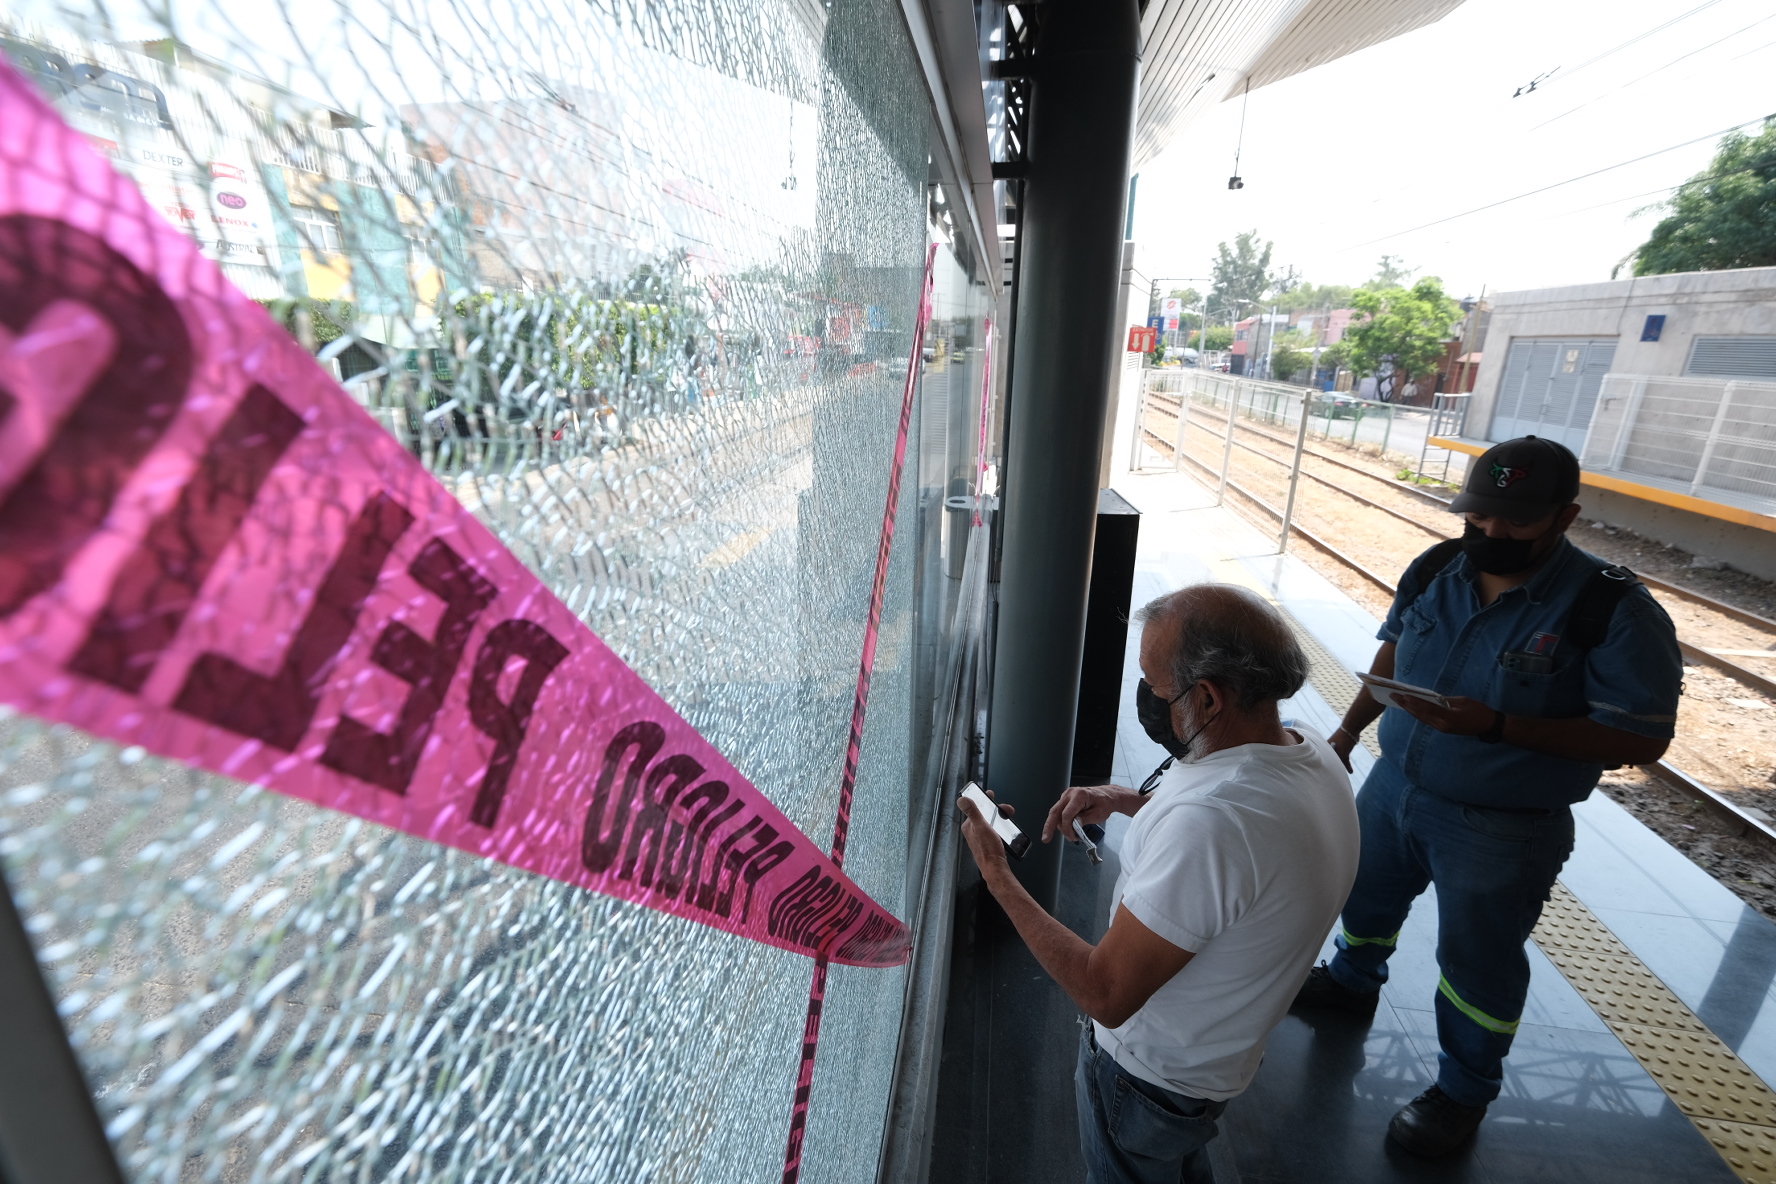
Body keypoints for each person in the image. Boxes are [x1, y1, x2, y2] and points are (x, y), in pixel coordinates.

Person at [1293, 435, 1683, 1156]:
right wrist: (1349, 731)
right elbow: (1394, 649)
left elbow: (1640, 740)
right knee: (1365, 895)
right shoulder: (1440, 566)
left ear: (1565, 516)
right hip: (1395, 783)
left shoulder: (1613, 610)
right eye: (1479, 518)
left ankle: (1463, 1091)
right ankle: (1351, 980)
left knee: (1477, 962)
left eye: (1517, 522)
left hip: (1501, 825)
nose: (1491, 534)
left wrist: (1501, 726)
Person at [958, 584, 1360, 1184]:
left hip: (1148, 1080)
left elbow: (1105, 993)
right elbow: (1242, 859)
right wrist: (1128, 802)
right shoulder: (1310, 752)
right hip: (1212, 1064)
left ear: (1208, 697)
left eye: (1155, 687)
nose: (1146, 698)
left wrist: (996, 874)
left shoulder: (1213, 825)